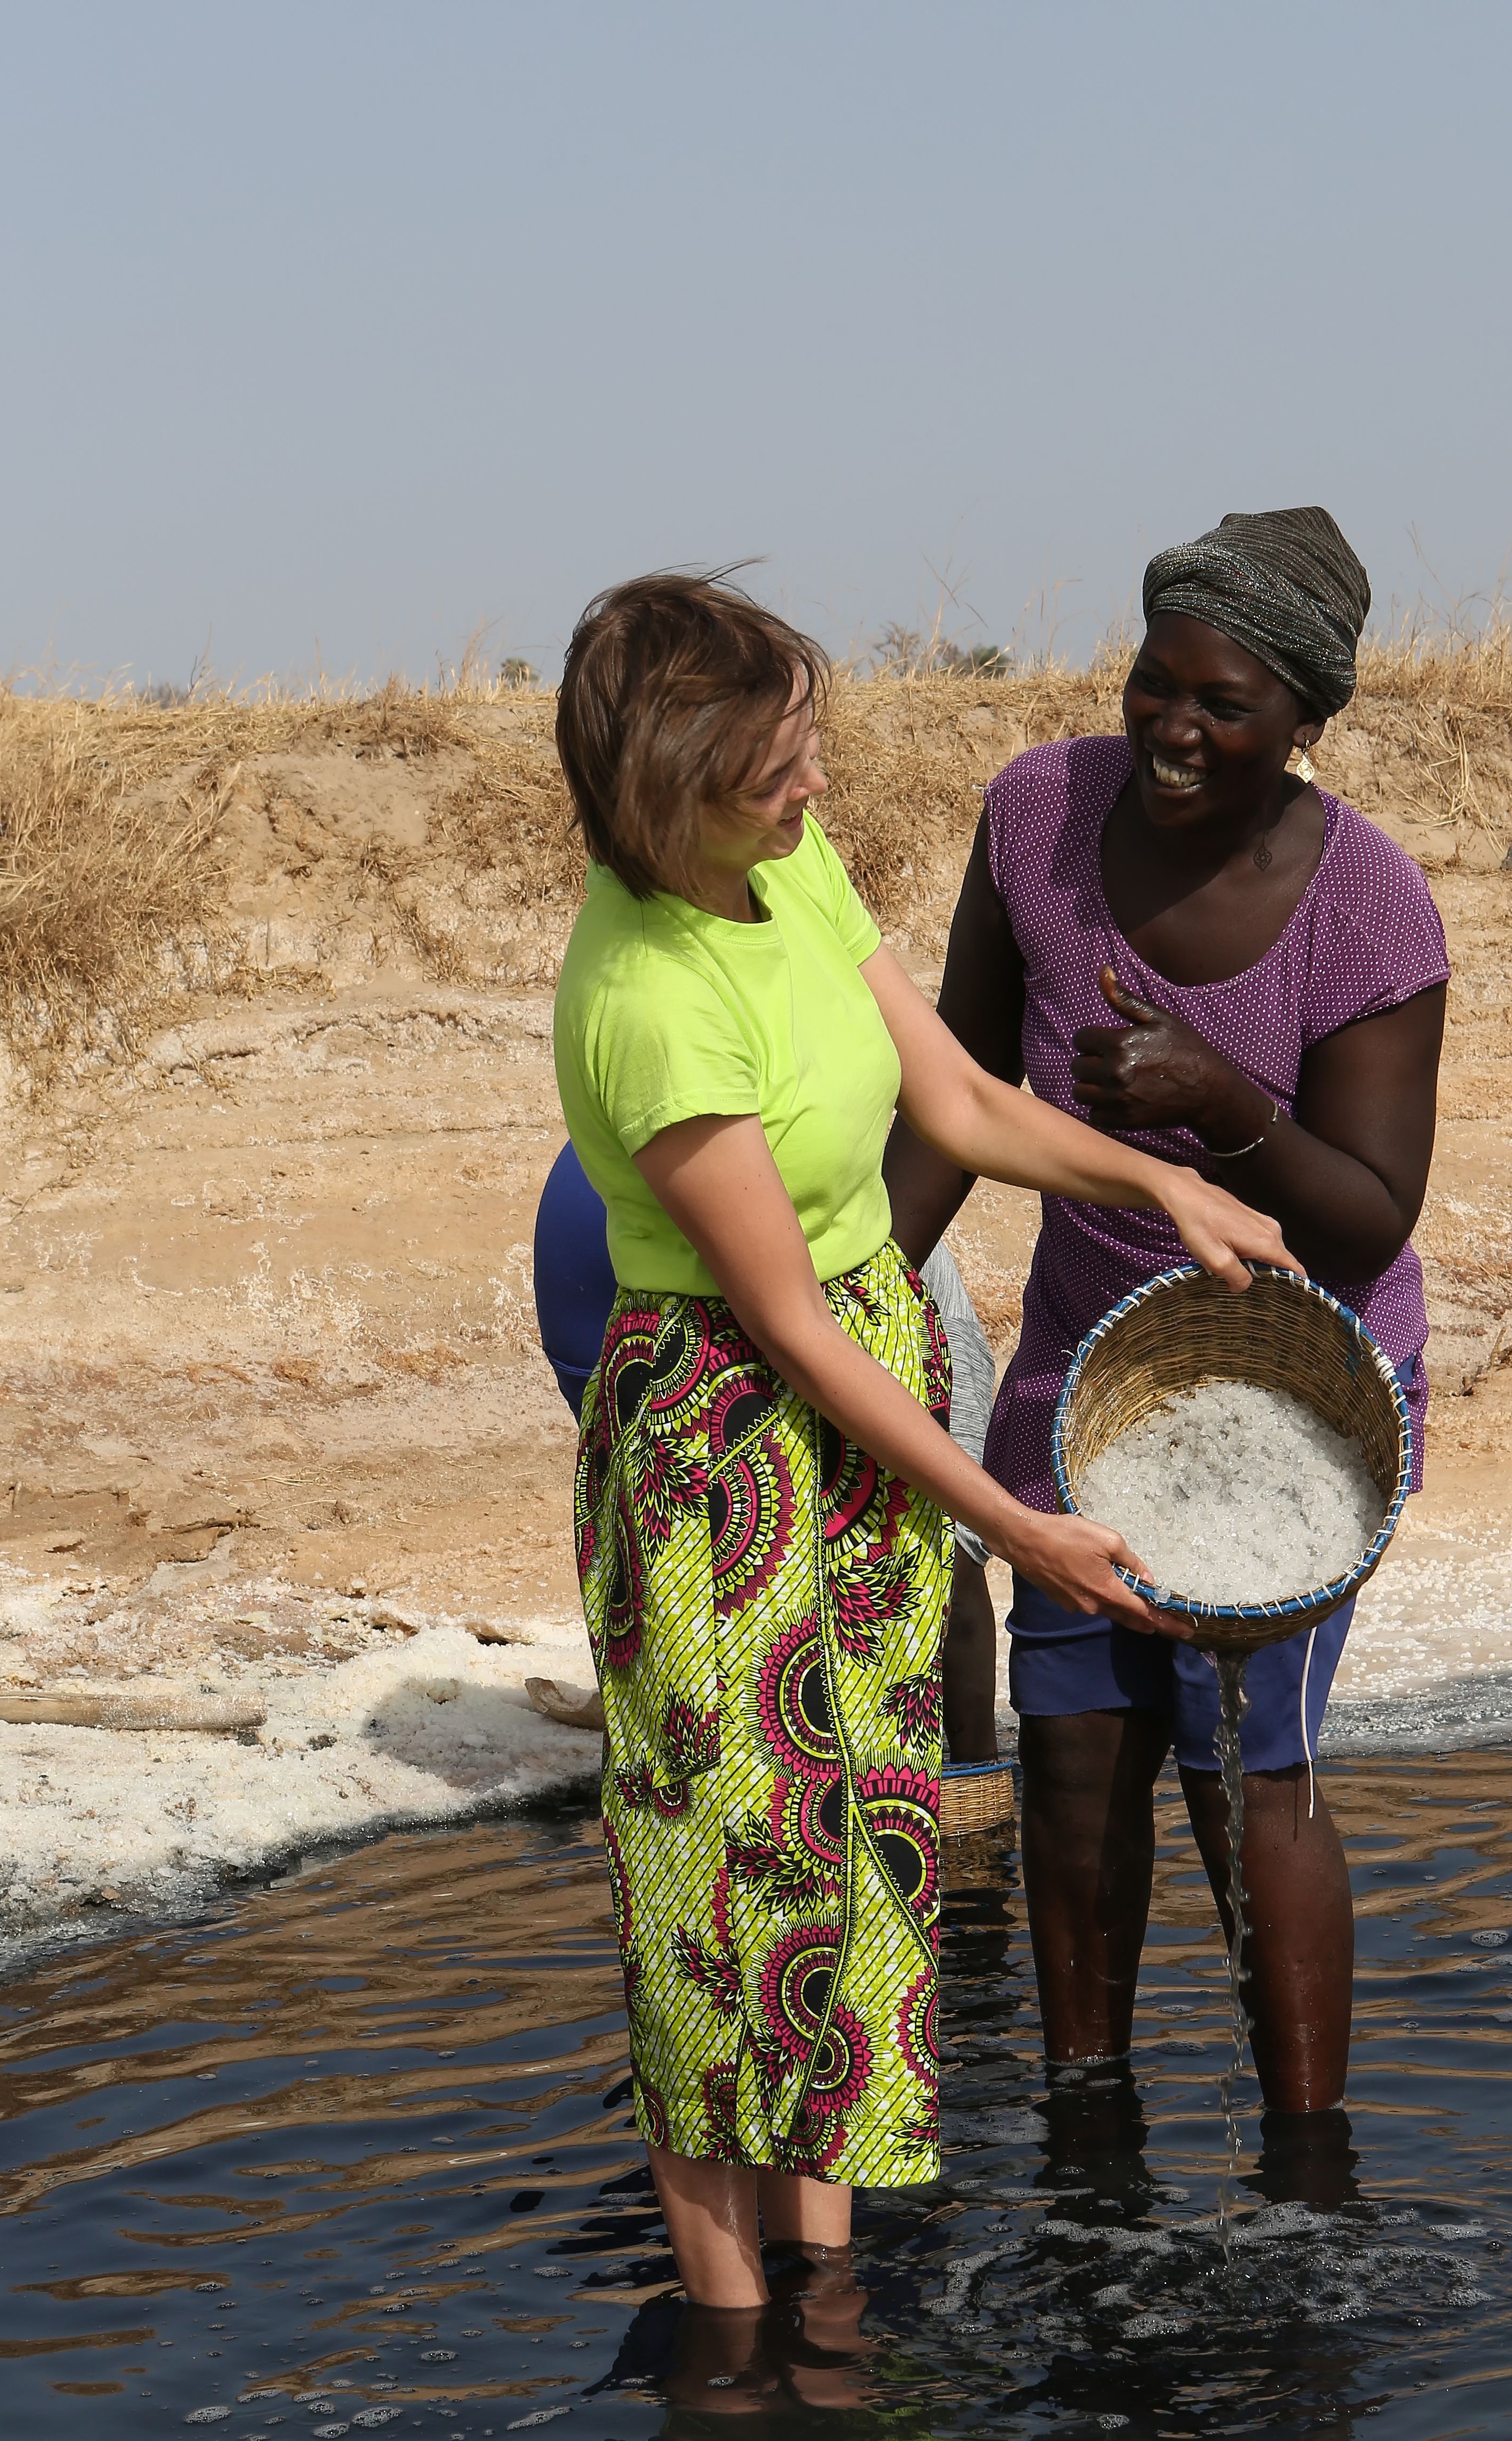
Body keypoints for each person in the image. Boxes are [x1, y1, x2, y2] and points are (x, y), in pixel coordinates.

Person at [551, 572, 1292, 2318]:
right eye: (773, 765)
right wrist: (1020, 1531)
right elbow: (783, 1330)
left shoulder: (784, 869)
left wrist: (1160, 1177)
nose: (813, 788)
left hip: (864, 1387)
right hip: (723, 1440)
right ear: (671, 781)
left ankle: (831, 2291)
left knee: (855, 1844)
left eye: (806, 748)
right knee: (727, 1873)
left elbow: (953, 1100)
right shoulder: (646, 998)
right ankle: (742, 2352)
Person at [884, 507, 1447, 2127]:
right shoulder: (1035, 818)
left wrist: (1219, 1104)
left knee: (1250, 1766)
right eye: (1154, 686)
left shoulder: (1366, 909)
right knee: (1072, 1754)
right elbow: (955, 1095)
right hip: (1085, 1358)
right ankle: (1088, 2134)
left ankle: (1304, 2157)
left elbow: (1361, 1221)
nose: (1174, 733)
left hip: (1299, 1390)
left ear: (1305, 727)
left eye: (1224, 707)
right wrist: (867, 1300)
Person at [529, 1141, 1003, 1761]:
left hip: (614, 1268)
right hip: (737, 1267)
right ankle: (971, 1780)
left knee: (682, 1541)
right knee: (933, 1550)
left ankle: (963, 1775)